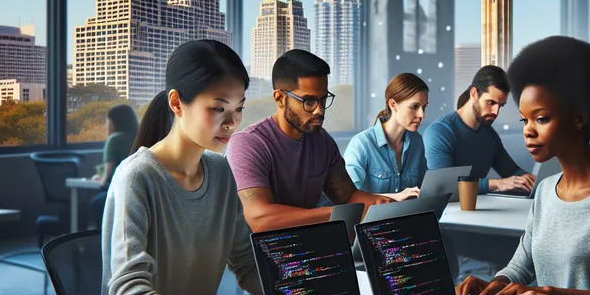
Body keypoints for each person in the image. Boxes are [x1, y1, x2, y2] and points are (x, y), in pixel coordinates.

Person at [457, 36, 590, 295]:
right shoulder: (546, 190)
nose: (528, 131)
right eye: (524, 120)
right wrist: (494, 284)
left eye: (541, 118)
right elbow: (521, 266)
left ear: (579, 117)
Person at [101, 39, 260, 295]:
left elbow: (247, 265)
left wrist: (303, 287)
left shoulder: (221, 172)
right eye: (219, 108)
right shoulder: (137, 176)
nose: (232, 122)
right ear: (176, 103)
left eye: (238, 108)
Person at [227, 49, 389, 232]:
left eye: (323, 99)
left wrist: (384, 206)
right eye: (309, 101)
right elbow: (259, 218)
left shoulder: (322, 141)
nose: (319, 110)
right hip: (256, 258)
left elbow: (348, 197)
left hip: (310, 247)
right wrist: (337, 215)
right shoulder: (248, 144)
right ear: (280, 99)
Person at [423, 65, 535, 195]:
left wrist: (539, 184)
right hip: (445, 214)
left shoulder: (490, 135)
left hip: (477, 211)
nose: (496, 112)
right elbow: (444, 187)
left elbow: (512, 172)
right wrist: (496, 184)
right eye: (491, 103)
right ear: (474, 93)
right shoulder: (439, 133)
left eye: (500, 106)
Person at [344, 73, 428, 201]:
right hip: (371, 220)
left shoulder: (417, 141)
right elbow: (349, 197)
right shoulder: (361, 144)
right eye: (414, 106)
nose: (422, 114)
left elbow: (424, 189)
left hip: (408, 218)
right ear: (393, 104)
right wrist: (397, 197)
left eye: (424, 107)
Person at [88, 104, 138, 227]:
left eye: (107, 121)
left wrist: (99, 179)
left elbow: (107, 177)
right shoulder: (140, 135)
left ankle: (102, 240)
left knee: (95, 204)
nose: (106, 125)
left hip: (121, 190)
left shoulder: (114, 139)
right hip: (140, 190)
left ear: (114, 122)